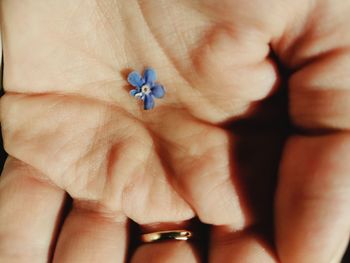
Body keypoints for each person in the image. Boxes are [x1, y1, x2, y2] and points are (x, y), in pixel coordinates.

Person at [0, 0, 349, 262]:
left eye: (146, 91)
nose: (145, 92)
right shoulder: (142, 88)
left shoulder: (147, 88)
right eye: (144, 91)